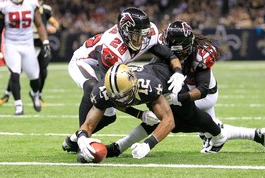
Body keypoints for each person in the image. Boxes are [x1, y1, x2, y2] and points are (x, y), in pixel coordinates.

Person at [105, 20, 265, 157]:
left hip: (204, 95)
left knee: (169, 118)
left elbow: (202, 90)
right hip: (182, 86)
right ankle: (256, 135)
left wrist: (178, 98)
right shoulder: (166, 47)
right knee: (208, 129)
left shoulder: (200, 55)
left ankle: (119, 147)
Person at [62, 7, 185, 152]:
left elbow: (169, 55)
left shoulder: (148, 33)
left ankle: (75, 138)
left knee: (109, 117)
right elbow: (109, 91)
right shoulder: (112, 49)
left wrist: (178, 72)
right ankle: (83, 140)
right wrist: (140, 114)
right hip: (84, 62)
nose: (141, 40)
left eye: (143, 35)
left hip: (110, 67)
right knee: (92, 88)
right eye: (136, 35)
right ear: (124, 32)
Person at [75, 62, 226, 162]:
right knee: (154, 120)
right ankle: (119, 147)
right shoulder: (102, 91)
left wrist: (148, 144)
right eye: (116, 97)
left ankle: (218, 132)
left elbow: (169, 120)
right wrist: (82, 139)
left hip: (165, 83)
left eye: (124, 95)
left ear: (134, 85)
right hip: (143, 88)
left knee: (184, 121)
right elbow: (88, 124)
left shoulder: (149, 86)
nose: (121, 100)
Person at [0, 0, 50, 115]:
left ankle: (34, 94)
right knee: (15, 73)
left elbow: (39, 24)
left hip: (27, 44)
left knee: (35, 77)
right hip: (11, 44)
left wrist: (45, 41)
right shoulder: (3, 5)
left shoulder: (31, 3)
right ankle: (18, 105)